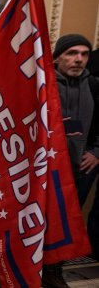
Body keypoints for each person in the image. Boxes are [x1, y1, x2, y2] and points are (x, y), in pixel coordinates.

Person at [43, 34, 98, 288]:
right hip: (45, 167)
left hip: (80, 169)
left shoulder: (95, 86)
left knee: (63, 223)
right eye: (72, 53)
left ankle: (54, 271)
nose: (79, 59)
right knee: (39, 220)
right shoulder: (44, 84)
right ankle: (28, 267)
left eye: (84, 54)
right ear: (57, 57)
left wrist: (96, 152)